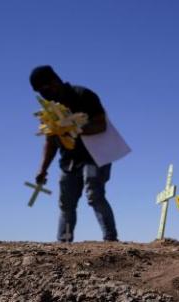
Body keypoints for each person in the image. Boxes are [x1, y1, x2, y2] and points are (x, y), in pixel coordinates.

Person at [29, 65, 119, 242]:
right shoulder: (49, 110)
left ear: (54, 81)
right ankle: (64, 242)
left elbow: (101, 125)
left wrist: (74, 128)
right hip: (69, 161)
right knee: (66, 203)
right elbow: (50, 141)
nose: (44, 95)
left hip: (94, 156)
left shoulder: (83, 95)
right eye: (39, 92)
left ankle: (110, 240)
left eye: (45, 89)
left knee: (94, 194)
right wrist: (43, 169)